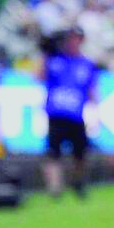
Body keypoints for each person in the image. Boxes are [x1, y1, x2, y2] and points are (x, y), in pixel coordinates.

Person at [41, 27, 98, 198]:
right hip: (56, 113)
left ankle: (78, 183)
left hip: (76, 114)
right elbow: (39, 76)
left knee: (80, 153)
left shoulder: (86, 64)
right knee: (53, 152)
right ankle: (55, 188)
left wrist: (95, 108)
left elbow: (91, 90)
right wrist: (44, 54)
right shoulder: (55, 60)